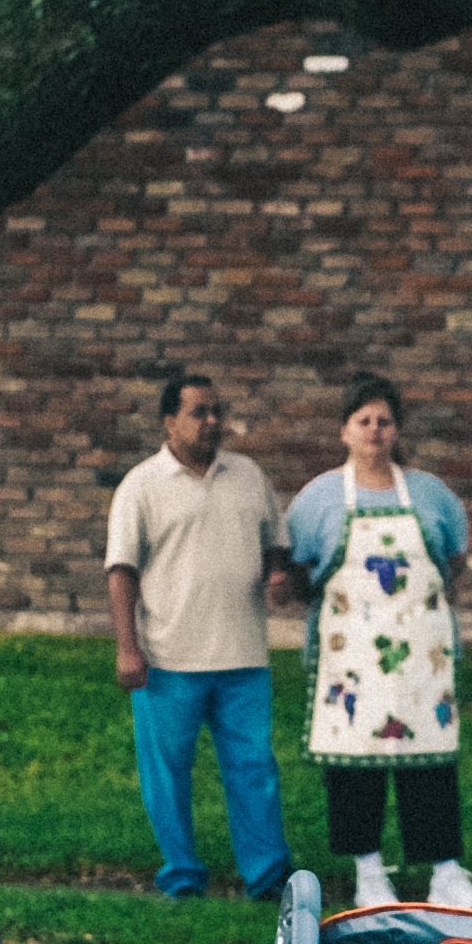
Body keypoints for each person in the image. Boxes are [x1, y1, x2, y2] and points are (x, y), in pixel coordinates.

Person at [283, 373, 472, 910]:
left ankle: (444, 870)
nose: (375, 431)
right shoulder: (319, 498)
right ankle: (368, 871)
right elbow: (300, 566)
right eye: (363, 421)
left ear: (397, 430)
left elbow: (454, 560)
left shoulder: (429, 493)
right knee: (355, 762)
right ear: (344, 431)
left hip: (422, 657)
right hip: (352, 658)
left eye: (384, 421)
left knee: (430, 760)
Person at [106, 374, 298, 900]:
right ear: (169, 421)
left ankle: (266, 874)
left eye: (217, 411)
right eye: (198, 412)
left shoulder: (249, 476)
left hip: (242, 658)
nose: (211, 422)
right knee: (168, 775)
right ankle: (183, 874)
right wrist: (128, 647)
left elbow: (275, 544)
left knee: (254, 768)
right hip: (168, 659)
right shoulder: (141, 486)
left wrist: (278, 573)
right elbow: (121, 570)